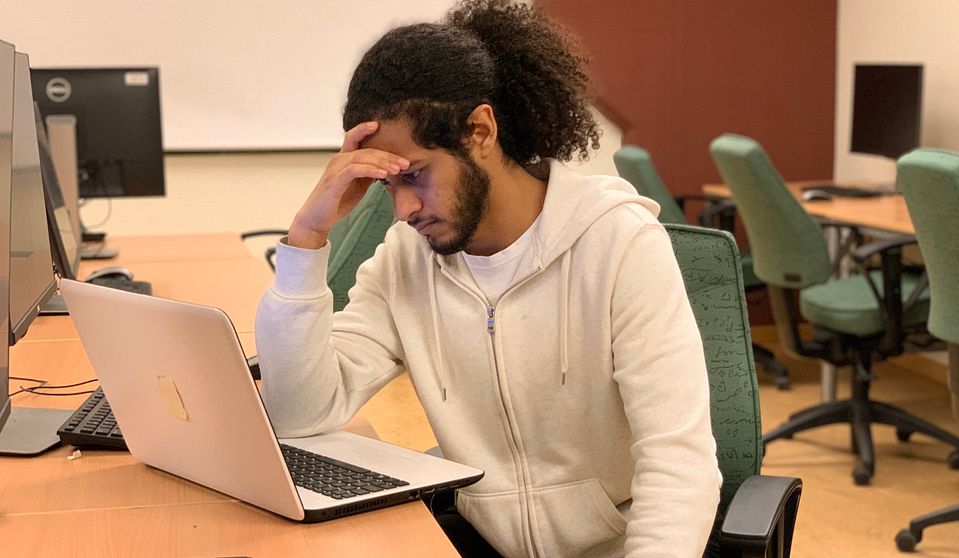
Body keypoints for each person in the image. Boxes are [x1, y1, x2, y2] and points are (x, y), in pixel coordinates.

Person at [255, 1, 721, 556]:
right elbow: (300, 411)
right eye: (387, 185)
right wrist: (306, 236)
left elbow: (679, 464)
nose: (402, 209)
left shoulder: (619, 246)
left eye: (416, 176)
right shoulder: (407, 259)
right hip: (481, 541)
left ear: (480, 130)